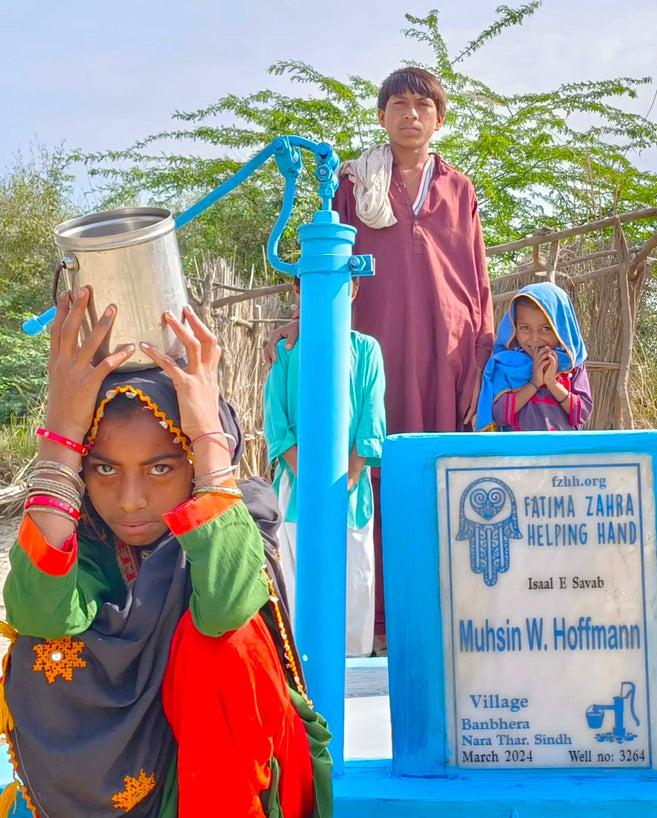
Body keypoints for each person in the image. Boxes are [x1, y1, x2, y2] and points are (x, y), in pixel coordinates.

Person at [1, 288, 331, 817]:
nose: (130, 502)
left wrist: (206, 434)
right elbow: (38, 609)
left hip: (233, 784)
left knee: (220, 646)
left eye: (161, 468)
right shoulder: (85, 534)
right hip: (120, 781)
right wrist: (60, 435)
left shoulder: (244, 511)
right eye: (104, 468)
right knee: (41, 650)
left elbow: (225, 607)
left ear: (197, 462)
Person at [266, 66, 494, 651]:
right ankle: (374, 617)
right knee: (366, 466)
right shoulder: (353, 183)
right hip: (370, 350)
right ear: (381, 115)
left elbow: (477, 278)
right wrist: (309, 321)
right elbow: (328, 257)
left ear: (439, 119)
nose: (410, 115)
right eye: (398, 104)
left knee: (429, 474)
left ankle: (431, 613)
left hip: (442, 356)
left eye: (423, 105)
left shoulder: (458, 189)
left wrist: (481, 354)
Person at [263, 275, 385, 657]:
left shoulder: (365, 350)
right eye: (313, 282)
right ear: (298, 289)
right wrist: (307, 475)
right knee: (298, 580)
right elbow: (276, 421)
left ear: (354, 288)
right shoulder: (285, 350)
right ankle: (300, 665)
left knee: (354, 578)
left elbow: (372, 417)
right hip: (296, 488)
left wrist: (349, 475)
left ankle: (353, 661)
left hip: (350, 490)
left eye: (338, 281)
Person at [476, 281, 592, 431]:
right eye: (525, 328)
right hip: (519, 452)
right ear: (514, 327)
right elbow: (499, 415)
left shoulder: (572, 366)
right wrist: (534, 383)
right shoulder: (507, 365)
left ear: (562, 329)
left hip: (563, 452)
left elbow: (582, 413)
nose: (534, 338)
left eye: (545, 328)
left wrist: (552, 383)